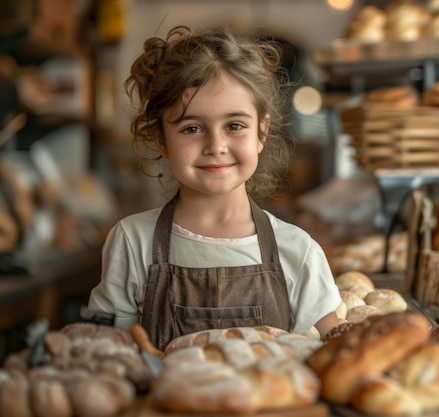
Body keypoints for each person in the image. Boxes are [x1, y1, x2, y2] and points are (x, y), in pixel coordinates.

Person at [88, 25, 341, 350]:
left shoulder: (297, 250)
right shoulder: (132, 240)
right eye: (192, 128)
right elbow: (105, 348)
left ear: (261, 132)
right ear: (160, 139)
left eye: (235, 126)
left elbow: (338, 349)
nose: (215, 145)